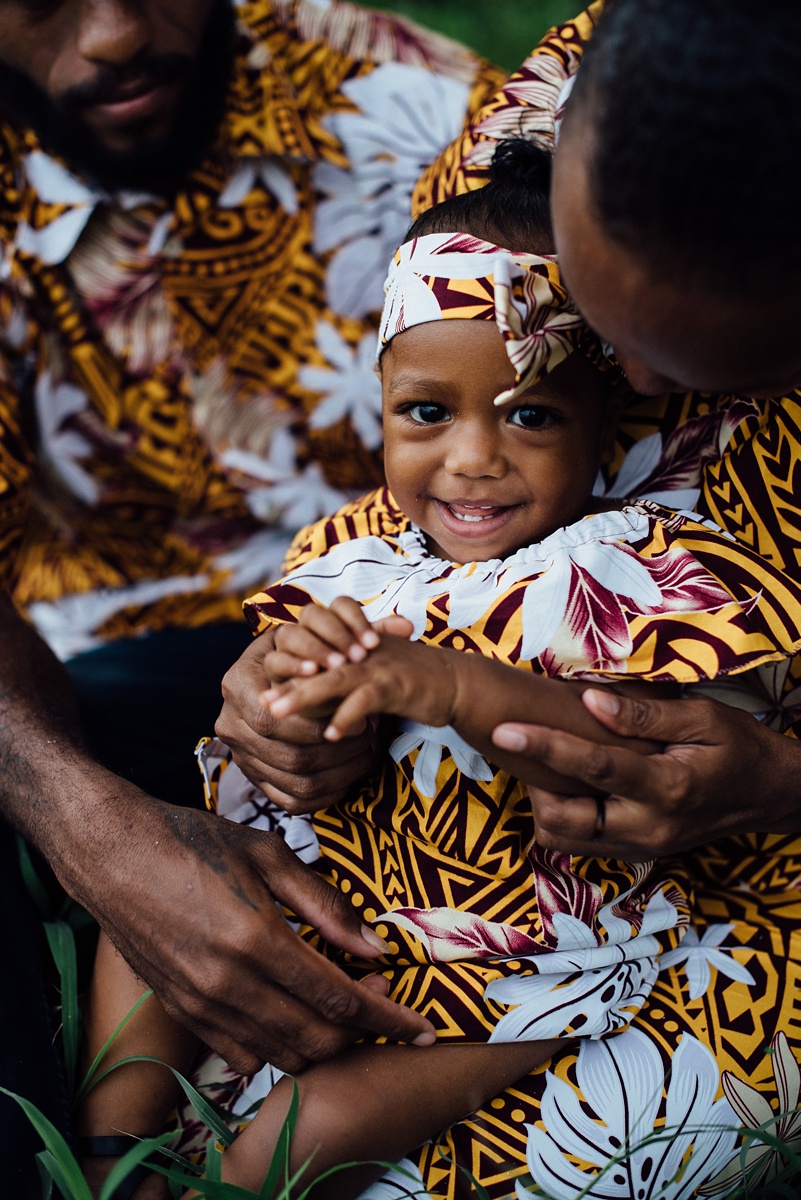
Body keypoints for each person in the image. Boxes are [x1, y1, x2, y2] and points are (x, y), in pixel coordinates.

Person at [77, 145, 801, 1199]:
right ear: (377, 404)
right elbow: (278, 726)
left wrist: (447, 683)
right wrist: (299, 711)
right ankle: (105, 1165)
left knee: (311, 1127)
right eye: (427, 413)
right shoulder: (351, 556)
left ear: (603, 430)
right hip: (327, 891)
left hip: (517, 949)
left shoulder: (621, 570)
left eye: (529, 415)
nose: (471, 459)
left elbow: (622, 745)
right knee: (142, 910)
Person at [0, 1, 506, 1191]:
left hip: (423, 620)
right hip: (97, 661)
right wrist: (91, 825)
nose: (117, 33)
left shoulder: (421, 111)